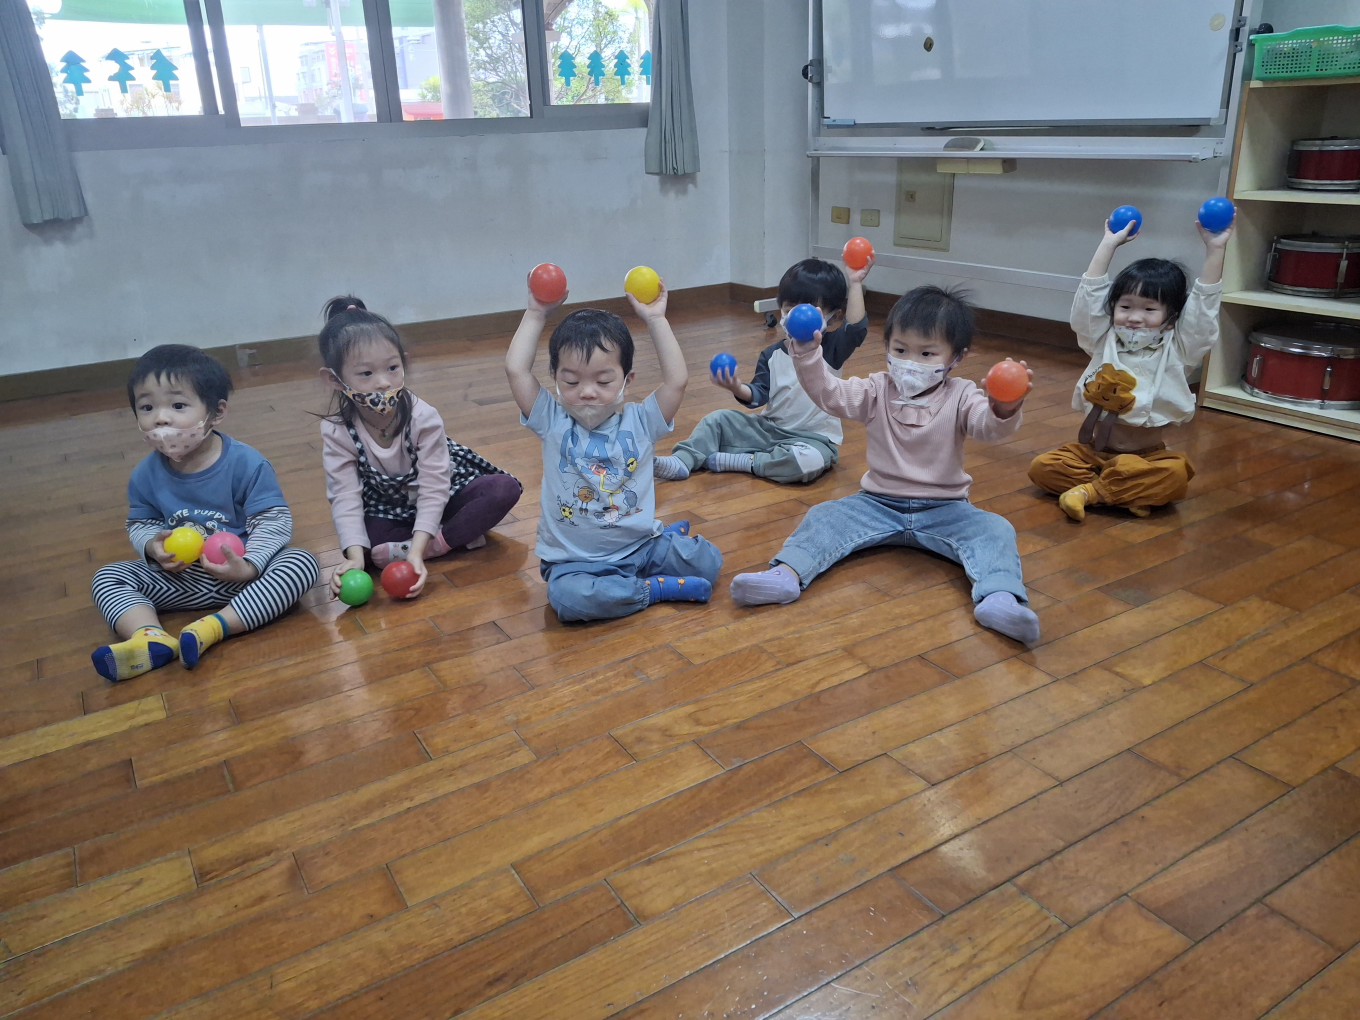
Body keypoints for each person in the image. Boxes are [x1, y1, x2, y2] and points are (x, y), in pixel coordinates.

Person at [730, 285, 1042, 647]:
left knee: (996, 529)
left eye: (927, 353)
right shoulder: (876, 388)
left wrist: (1004, 406)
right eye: (900, 350)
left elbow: (988, 428)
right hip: (877, 503)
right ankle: (786, 575)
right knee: (824, 515)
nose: (911, 362)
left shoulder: (962, 394)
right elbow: (830, 394)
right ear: (887, 347)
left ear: (956, 357)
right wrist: (807, 353)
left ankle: (999, 599)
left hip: (946, 509)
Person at [90, 345, 320, 682]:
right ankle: (150, 638)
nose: (161, 418)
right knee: (107, 577)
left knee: (301, 563)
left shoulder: (247, 464)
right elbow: (141, 523)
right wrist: (153, 546)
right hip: (181, 579)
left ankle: (213, 627)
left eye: (177, 405)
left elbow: (272, 520)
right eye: (147, 407)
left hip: (243, 579)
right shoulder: (145, 475)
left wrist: (249, 565)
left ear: (216, 412)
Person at [505, 274, 722, 622]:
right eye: (571, 381)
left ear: (627, 380)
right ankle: (653, 589)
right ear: (555, 378)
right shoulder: (551, 419)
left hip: (642, 546)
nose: (587, 391)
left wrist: (656, 319)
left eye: (603, 380)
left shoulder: (643, 421)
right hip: (575, 563)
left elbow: (676, 381)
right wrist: (535, 313)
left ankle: (659, 542)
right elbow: (516, 370)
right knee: (570, 601)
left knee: (709, 562)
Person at [1028, 217, 1233, 520]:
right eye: (1125, 307)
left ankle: (1090, 493)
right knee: (1043, 467)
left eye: (1149, 309)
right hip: (1093, 454)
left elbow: (1202, 313)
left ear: (1172, 317)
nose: (1135, 317)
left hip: (1147, 458)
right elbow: (1088, 302)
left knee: (1174, 475)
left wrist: (1215, 250)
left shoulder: (1179, 349)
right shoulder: (1103, 340)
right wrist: (1108, 244)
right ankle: (1123, 493)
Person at [318, 296, 522, 599]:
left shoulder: (423, 417)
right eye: (366, 374)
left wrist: (417, 553)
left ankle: (433, 544)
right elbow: (345, 496)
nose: (384, 383)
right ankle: (455, 534)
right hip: (389, 506)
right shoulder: (337, 430)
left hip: (442, 492)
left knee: (503, 489)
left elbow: (435, 485)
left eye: (392, 368)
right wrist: (355, 558)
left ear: (404, 362)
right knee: (367, 545)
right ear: (335, 380)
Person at [655, 254, 872, 484]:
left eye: (806, 310)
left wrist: (855, 283)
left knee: (808, 461)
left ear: (833, 317)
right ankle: (682, 460)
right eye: (789, 309)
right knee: (717, 420)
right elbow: (758, 395)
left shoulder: (832, 349)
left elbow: (856, 329)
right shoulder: (772, 355)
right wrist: (736, 387)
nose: (795, 317)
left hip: (812, 440)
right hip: (768, 430)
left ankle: (744, 462)